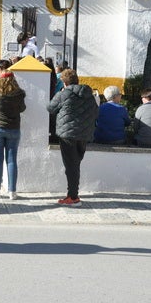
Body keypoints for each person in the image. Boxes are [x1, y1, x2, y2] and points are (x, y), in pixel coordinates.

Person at [47, 69, 98, 207]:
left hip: (68, 135)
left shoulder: (64, 94)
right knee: (75, 164)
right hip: (84, 134)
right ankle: (73, 193)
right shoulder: (89, 94)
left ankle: (73, 197)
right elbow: (95, 111)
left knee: (71, 166)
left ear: (64, 81)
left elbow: (50, 108)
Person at [0, 62, 26, 200]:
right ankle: (12, 192)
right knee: (12, 160)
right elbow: (22, 109)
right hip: (14, 129)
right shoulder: (19, 94)